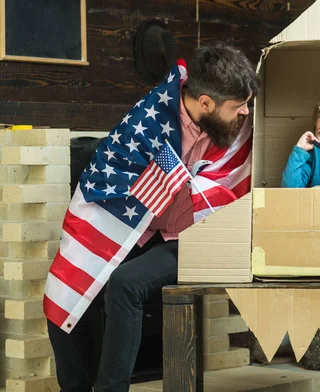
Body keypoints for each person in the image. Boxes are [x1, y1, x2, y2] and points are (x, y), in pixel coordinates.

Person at [46, 43, 260, 392]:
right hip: (148, 225)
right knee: (77, 287)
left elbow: (219, 183)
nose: (246, 113)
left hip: (201, 231)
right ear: (205, 103)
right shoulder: (151, 122)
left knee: (125, 283)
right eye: (239, 106)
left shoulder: (232, 127)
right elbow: (121, 173)